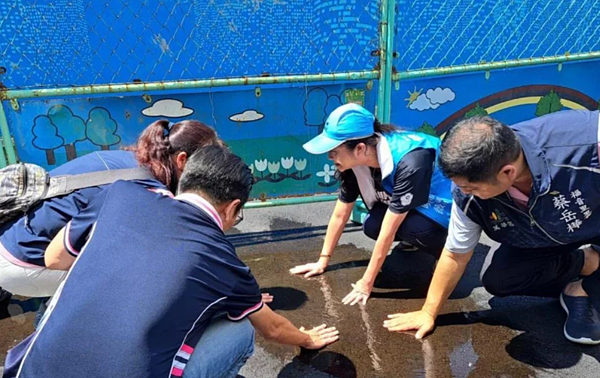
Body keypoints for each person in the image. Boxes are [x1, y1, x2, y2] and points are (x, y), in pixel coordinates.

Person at [6, 146, 338, 378]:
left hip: (29, 370)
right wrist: (308, 340)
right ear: (232, 208)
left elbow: (55, 257)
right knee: (241, 329)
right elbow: (274, 328)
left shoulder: (121, 193)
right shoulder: (222, 259)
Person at [384, 111, 600, 345]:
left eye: (471, 187)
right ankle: (585, 267)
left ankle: (589, 289)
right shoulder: (467, 196)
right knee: (501, 279)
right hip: (546, 233)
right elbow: (455, 253)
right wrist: (428, 312)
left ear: (508, 173)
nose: (463, 192)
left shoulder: (586, 147)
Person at [0, 119, 221, 298]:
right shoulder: (147, 188)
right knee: (148, 282)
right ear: (182, 160)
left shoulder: (128, 159)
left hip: (10, 237)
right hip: (24, 264)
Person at [290, 103, 452, 306]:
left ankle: (450, 255)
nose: (330, 157)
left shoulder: (411, 161)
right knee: (372, 225)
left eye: (334, 150)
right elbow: (341, 213)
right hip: (410, 202)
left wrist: (366, 282)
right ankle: (414, 242)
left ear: (359, 148)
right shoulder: (355, 162)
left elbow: (390, 229)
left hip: (442, 206)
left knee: (413, 228)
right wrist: (323, 260)